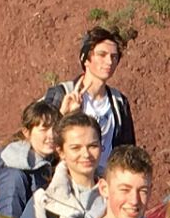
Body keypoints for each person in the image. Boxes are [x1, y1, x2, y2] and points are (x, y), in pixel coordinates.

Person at [42, 27, 135, 160]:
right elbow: (42, 141)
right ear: (85, 59)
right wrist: (63, 114)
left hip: (104, 179)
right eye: (102, 55)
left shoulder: (119, 102)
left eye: (114, 57)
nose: (109, 61)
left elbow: (127, 151)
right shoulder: (62, 94)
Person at [27, 112, 105, 218]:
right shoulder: (45, 200)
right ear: (61, 152)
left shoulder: (118, 196)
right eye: (76, 148)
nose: (86, 154)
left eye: (92, 146)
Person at [0, 101, 60, 218]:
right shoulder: (14, 174)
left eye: (55, 129)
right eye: (44, 129)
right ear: (26, 132)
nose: (51, 135)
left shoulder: (53, 162)